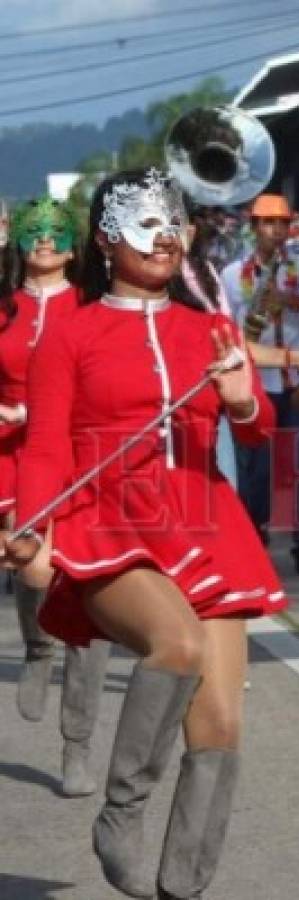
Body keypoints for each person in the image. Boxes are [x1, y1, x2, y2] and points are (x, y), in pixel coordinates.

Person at [3, 168, 287, 898]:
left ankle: (182, 886)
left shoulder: (210, 328)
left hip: (206, 523)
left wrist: (243, 400)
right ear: (105, 239)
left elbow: (257, 434)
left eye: (173, 223)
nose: (164, 238)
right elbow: (46, 446)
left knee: (220, 724)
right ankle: (122, 812)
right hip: (106, 522)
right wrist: (32, 527)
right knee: (178, 644)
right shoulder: (69, 332)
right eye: (145, 223)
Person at [1, 196, 112, 797]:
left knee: (88, 594)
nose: (45, 240)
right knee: (31, 570)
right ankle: (36, 645)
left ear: (74, 246)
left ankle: (78, 745)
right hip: (13, 458)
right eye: (34, 231)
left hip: (81, 460)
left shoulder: (94, 306)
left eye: (56, 231)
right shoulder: (3, 306)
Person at [221, 194, 299, 574]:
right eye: (268, 223)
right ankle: (256, 536)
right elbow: (228, 327)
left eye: (282, 223)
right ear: (254, 227)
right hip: (258, 383)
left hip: (298, 380)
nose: (276, 231)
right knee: (258, 470)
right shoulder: (233, 274)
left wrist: (289, 300)